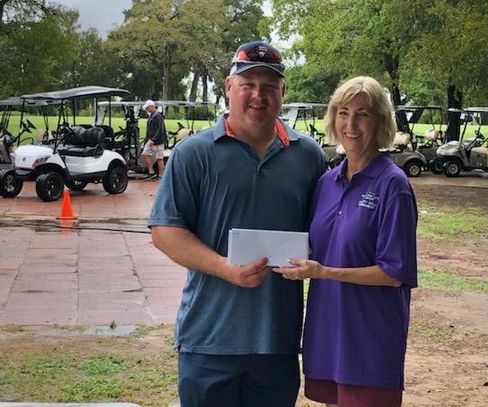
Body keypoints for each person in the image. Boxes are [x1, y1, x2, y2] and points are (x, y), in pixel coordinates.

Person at [147, 40, 326, 407]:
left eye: (269, 87)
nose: (258, 95)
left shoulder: (308, 157)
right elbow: (166, 232)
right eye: (247, 85)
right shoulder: (192, 154)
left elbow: (321, 231)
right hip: (208, 340)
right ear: (228, 88)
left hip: (277, 342)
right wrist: (225, 268)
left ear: (282, 93)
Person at [274, 76, 418, 407]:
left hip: (369, 337)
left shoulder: (392, 186)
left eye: (363, 114)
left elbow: (393, 272)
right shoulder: (326, 182)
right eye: (343, 112)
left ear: (380, 122)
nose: (350, 124)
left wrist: (322, 271)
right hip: (328, 332)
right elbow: (315, 245)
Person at [141, 99, 167, 180]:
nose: (146, 110)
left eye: (147, 108)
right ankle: (151, 172)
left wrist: (154, 139)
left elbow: (160, 129)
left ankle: (161, 174)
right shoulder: (152, 116)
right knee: (144, 154)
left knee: (159, 158)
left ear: (152, 107)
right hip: (151, 139)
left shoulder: (158, 116)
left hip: (157, 140)